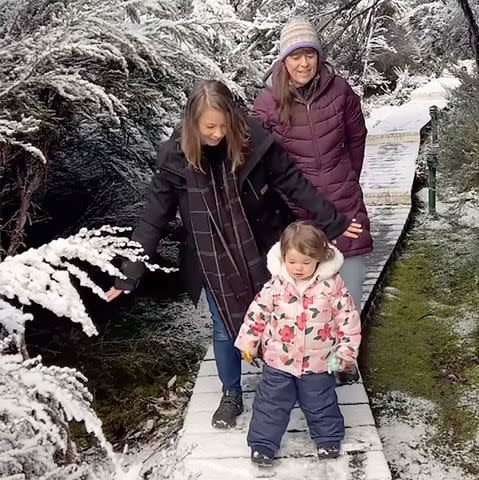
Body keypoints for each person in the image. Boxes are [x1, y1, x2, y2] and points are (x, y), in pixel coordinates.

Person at [105, 80, 363, 429]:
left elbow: (293, 182)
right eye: (209, 127)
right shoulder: (174, 159)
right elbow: (153, 215)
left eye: (224, 125)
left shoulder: (252, 141)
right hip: (210, 259)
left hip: (263, 247)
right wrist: (129, 272)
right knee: (226, 328)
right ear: (192, 122)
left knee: (280, 318)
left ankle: (289, 383)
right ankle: (231, 393)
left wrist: (331, 221)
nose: (217, 134)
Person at [252, 18, 372, 383]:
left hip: (344, 200)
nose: (303, 64)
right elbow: (260, 159)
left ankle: (342, 360)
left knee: (347, 288)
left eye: (309, 55)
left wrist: (346, 178)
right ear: (283, 61)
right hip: (297, 210)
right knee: (303, 290)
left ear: (318, 57)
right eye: (295, 56)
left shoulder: (340, 91)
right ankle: (304, 362)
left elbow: (357, 138)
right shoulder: (268, 103)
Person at [235, 221, 361, 467]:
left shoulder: (332, 286)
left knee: (320, 401)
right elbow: (257, 313)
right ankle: (262, 444)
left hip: (319, 360)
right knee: (271, 403)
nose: (298, 268)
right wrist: (248, 342)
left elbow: (348, 319)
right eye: (292, 262)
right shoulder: (276, 284)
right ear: (283, 258)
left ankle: (328, 438)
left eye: (305, 262)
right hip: (278, 359)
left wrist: (345, 351)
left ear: (319, 258)